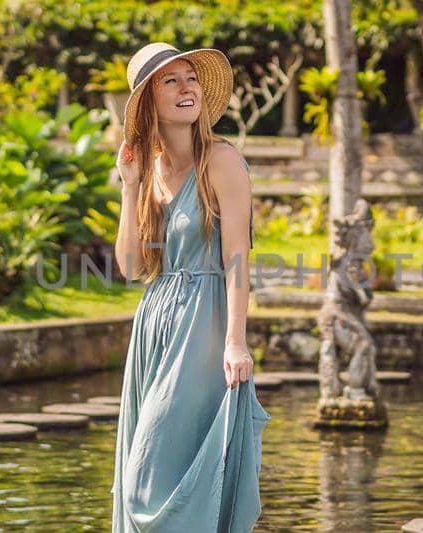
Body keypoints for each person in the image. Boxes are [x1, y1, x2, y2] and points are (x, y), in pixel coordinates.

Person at [108, 42, 270, 533]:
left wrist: (236, 340)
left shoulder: (221, 161)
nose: (186, 88)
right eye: (170, 80)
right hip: (155, 325)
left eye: (191, 78)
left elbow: (237, 256)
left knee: (151, 478)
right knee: (143, 466)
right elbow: (133, 267)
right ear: (148, 102)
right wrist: (131, 185)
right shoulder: (149, 171)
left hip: (205, 321)